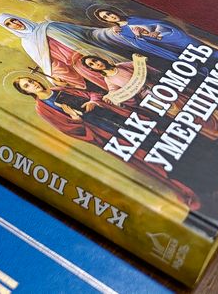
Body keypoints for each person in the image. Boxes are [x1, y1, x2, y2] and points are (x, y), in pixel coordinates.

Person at [12, 74, 200, 209]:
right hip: (101, 129)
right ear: (25, 92)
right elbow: (66, 128)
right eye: (27, 85)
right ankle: (184, 174)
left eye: (31, 80)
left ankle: (191, 156)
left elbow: (92, 94)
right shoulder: (43, 109)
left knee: (151, 133)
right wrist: (76, 118)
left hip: (110, 114)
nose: (33, 84)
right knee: (141, 149)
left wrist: (92, 102)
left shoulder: (58, 89)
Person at [87, 5, 218, 98]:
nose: (110, 16)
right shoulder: (124, 33)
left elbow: (163, 26)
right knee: (212, 68)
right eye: (106, 17)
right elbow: (145, 46)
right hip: (173, 49)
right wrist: (140, 36)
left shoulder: (134, 18)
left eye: (109, 12)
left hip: (179, 40)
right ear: (106, 21)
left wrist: (152, 33)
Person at [80, 55, 218, 152]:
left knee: (197, 105)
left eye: (95, 60)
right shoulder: (109, 81)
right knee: (188, 118)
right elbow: (126, 98)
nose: (96, 64)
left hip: (163, 90)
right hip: (153, 101)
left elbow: (151, 71)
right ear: (93, 69)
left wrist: (150, 70)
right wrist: (115, 98)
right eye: (92, 65)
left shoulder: (123, 65)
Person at [0, 12, 110, 91]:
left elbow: (82, 32)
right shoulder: (27, 43)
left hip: (92, 53)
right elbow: (48, 63)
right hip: (78, 66)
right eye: (8, 24)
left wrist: (106, 33)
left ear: (18, 18)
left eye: (13, 20)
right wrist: (54, 76)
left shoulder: (48, 26)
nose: (14, 24)